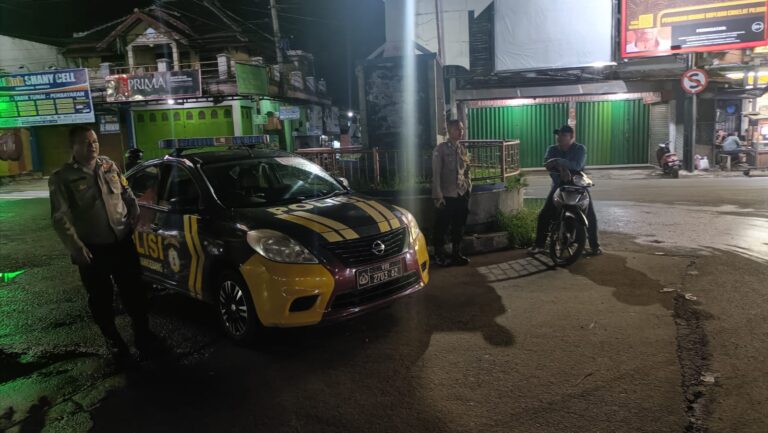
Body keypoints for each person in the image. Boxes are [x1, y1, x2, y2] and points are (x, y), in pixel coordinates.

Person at [49, 125, 159, 363]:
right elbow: (60, 217)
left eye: (95, 141)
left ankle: (143, 334)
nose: (93, 146)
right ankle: (113, 340)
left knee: (135, 292)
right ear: (73, 147)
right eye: (86, 142)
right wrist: (76, 247)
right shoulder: (62, 178)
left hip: (121, 242)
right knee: (101, 298)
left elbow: (126, 193)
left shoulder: (109, 165)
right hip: (92, 249)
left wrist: (134, 214)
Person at [528, 125, 601, 256]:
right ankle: (539, 245)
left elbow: (577, 165)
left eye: (563, 135)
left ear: (571, 137)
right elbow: (547, 164)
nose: (559, 137)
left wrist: (558, 161)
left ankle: (595, 247)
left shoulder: (579, 149)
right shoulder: (552, 149)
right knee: (545, 214)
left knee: (589, 215)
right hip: (559, 185)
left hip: (578, 186)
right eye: (559, 135)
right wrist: (563, 168)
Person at [432, 120, 471, 266]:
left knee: (459, 226)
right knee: (442, 226)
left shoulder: (462, 149)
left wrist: (468, 187)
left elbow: (466, 171)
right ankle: (439, 255)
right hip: (447, 195)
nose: (461, 132)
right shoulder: (440, 149)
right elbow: (436, 174)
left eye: (462, 129)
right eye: (457, 129)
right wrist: (438, 196)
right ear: (449, 131)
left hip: (461, 193)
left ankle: (456, 254)